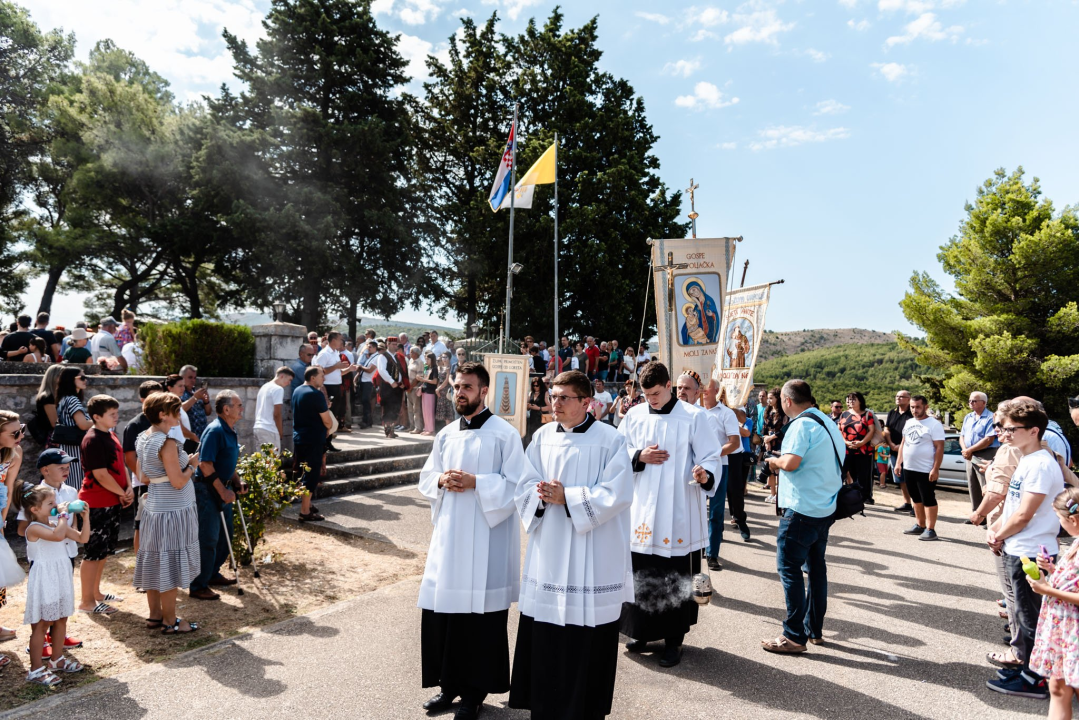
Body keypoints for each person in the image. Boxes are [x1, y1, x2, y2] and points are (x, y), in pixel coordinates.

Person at [510, 369, 634, 719]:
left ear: (586, 401)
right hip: (549, 548)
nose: (555, 403)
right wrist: (539, 495)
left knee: (586, 637)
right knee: (546, 632)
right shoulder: (542, 436)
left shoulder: (610, 440)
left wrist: (572, 498)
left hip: (591, 554)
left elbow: (618, 492)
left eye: (564, 397)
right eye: (553, 396)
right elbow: (524, 481)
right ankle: (545, 707)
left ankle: (585, 709)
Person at [417, 361, 536, 720]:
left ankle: (474, 694)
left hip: (487, 541)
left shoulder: (504, 434)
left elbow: (519, 485)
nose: (459, 393)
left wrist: (477, 483)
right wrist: (440, 481)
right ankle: (448, 687)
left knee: (478, 624)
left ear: (484, 391)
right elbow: (426, 476)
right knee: (445, 617)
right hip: (450, 540)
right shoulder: (446, 433)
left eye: (467, 387)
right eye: (456, 387)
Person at [618, 362, 720, 668]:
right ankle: (642, 632)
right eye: (646, 394)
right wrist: (638, 456)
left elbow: (710, 456)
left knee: (676, 576)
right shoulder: (634, 415)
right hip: (642, 509)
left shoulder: (693, 416)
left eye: (656, 393)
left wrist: (705, 474)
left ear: (669, 386)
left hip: (678, 512)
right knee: (642, 573)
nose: (651, 399)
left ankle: (674, 641)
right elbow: (615, 452)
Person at [986, 398, 1066, 699]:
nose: (1004, 433)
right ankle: (1026, 665)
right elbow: (1014, 505)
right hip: (1019, 545)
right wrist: (999, 530)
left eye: (1010, 428)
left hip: (1031, 551)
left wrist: (996, 535)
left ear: (1033, 431)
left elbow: (1025, 514)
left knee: (1029, 615)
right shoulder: (1028, 459)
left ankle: (1034, 679)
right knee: (1019, 613)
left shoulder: (1042, 464)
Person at [760, 379, 845, 654]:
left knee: (790, 570)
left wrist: (773, 461)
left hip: (801, 509)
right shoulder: (826, 421)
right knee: (816, 569)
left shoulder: (800, 425)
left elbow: (792, 463)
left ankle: (794, 636)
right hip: (824, 508)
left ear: (787, 401)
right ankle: (814, 630)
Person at [134, 391, 201, 635]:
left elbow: (142, 476)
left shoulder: (143, 437)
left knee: (155, 560)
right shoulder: (167, 442)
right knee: (170, 565)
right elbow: (178, 482)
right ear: (163, 414)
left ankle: (155, 616)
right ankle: (170, 621)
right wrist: (191, 466)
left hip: (155, 507)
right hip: (172, 509)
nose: (179, 413)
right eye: (175, 410)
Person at [18, 485, 90, 686]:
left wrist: (86, 517)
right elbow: (58, 536)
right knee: (42, 623)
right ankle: (35, 670)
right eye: (51, 503)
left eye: (56, 502)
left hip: (60, 575)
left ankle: (57, 659)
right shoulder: (34, 528)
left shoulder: (56, 523)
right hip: (45, 578)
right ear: (35, 509)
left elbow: (83, 538)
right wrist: (63, 514)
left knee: (61, 618)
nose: (56, 505)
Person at [77, 395, 131, 616]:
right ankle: (86, 601)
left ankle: (96, 594)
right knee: (93, 553)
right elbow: (100, 474)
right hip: (97, 502)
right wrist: (122, 492)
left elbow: (121, 464)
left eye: (116, 413)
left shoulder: (109, 434)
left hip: (112, 500)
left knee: (103, 551)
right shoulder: (93, 439)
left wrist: (127, 489)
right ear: (97, 417)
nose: (116, 417)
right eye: (112, 414)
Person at [1027, 486, 1079, 717]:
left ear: (1074, 519)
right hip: (1063, 631)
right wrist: (1052, 569)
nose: (1059, 524)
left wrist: (1047, 590)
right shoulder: (1076, 542)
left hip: (1074, 632)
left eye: (1059, 518)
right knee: (1057, 686)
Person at [189, 391, 244, 601]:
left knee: (225, 536)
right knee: (208, 538)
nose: (242, 409)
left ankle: (211, 574)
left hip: (223, 488)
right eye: (238, 405)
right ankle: (197, 585)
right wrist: (222, 491)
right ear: (226, 409)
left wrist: (237, 481)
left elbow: (227, 461)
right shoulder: (215, 430)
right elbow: (204, 464)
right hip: (207, 490)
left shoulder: (231, 430)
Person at [703, 383, 749, 548]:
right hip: (713, 458)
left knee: (734, 492)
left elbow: (744, 419)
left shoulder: (735, 395)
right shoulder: (700, 407)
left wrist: (731, 404)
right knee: (714, 499)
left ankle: (741, 521)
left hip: (734, 455)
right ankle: (717, 533)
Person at [123, 380, 166, 554]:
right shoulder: (135, 425)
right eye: (152, 397)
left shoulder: (164, 420)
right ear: (143, 399)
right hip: (145, 484)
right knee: (142, 526)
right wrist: (145, 478)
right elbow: (130, 457)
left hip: (165, 482)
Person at [895, 395, 946, 541]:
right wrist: (899, 463)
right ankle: (920, 525)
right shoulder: (909, 422)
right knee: (915, 498)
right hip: (909, 467)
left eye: (917, 407)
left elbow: (939, 448)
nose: (914, 410)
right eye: (912, 407)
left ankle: (931, 529)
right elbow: (903, 444)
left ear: (925, 407)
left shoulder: (934, 424)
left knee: (928, 498)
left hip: (926, 469)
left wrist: (935, 469)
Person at [293, 366, 333, 522]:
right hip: (313, 439)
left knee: (303, 472)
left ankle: (307, 504)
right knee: (311, 475)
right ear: (313, 378)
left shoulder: (297, 390)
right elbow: (327, 420)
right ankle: (304, 511)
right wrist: (328, 426)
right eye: (322, 376)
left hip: (300, 437)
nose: (324, 379)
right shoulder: (316, 394)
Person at [0, 410, 24, 642]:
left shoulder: (14, 453)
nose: (20, 436)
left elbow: (7, 489)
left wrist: (2, 521)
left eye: (21, 429)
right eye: (15, 433)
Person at [961, 391, 1000, 514]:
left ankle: (987, 515)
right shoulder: (968, 417)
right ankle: (976, 512)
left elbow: (989, 439)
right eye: (970, 401)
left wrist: (969, 450)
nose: (970, 403)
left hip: (985, 453)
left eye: (974, 401)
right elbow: (961, 435)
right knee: (973, 484)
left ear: (983, 403)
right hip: (970, 454)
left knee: (985, 484)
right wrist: (965, 450)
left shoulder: (990, 417)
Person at [53, 367, 91, 490]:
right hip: (75, 447)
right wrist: (100, 420)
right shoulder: (72, 399)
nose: (85, 380)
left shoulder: (63, 399)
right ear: (70, 379)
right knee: (77, 482)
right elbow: (83, 424)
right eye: (82, 378)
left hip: (67, 446)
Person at [837, 392, 877, 505]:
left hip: (863, 449)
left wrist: (862, 442)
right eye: (849, 399)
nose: (851, 401)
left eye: (854, 399)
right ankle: (845, 496)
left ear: (860, 400)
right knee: (843, 474)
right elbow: (839, 430)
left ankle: (863, 498)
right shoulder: (843, 414)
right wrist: (845, 442)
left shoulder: (867, 414)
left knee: (863, 476)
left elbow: (871, 430)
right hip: (846, 449)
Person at [315, 332, 356, 435]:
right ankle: (326, 438)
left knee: (334, 413)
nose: (342, 342)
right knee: (329, 413)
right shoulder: (324, 353)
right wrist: (336, 366)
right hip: (328, 387)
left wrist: (349, 369)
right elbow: (319, 372)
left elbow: (338, 373)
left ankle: (329, 437)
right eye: (340, 339)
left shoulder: (335, 353)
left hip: (337, 386)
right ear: (333, 340)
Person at [885, 390, 916, 516]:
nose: (898, 398)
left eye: (902, 396)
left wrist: (901, 446)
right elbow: (887, 430)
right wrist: (891, 444)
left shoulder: (913, 413)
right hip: (894, 450)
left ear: (909, 399)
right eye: (897, 396)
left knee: (911, 479)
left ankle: (916, 505)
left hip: (909, 450)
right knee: (900, 478)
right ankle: (907, 503)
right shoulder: (892, 412)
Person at [254, 367, 294, 450]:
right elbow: (277, 413)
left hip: (258, 427)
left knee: (262, 460)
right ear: (282, 376)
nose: (289, 383)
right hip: (269, 429)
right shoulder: (278, 389)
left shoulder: (264, 387)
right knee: (272, 460)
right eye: (289, 379)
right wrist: (280, 432)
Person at [374, 341, 404, 438]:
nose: (395, 346)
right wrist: (391, 381)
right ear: (388, 345)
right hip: (388, 386)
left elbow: (401, 371)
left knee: (395, 408)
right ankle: (388, 431)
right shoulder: (382, 356)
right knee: (388, 408)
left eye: (396, 344)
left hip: (397, 386)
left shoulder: (397, 357)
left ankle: (392, 429)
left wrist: (402, 382)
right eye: (392, 344)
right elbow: (382, 370)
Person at [179, 365, 213, 438]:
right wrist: (195, 398)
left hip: (202, 436)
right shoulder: (179, 392)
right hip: (189, 438)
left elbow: (208, 412)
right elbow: (179, 410)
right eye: (190, 377)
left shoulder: (196, 391)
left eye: (194, 378)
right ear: (182, 377)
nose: (193, 380)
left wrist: (206, 401)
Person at [355, 340, 378, 429]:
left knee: (366, 401)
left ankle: (367, 421)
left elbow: (370, 370)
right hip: (365, 381)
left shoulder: (376, 357)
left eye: (370, 347)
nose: (368, 348)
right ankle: (367, 420)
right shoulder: (371, 356)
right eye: (368, 347)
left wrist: (360, 367)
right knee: (365, 402)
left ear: (375, 348)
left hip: (369, 382)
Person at [524, 378, 550, 447]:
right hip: (533, 417)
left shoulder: (545, 393)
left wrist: (538, 408)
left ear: (540, 385)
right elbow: (526, 406)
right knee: (532, 435)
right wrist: (528, 406)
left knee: (543, 436)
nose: (535, 387)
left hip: (543, 417)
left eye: (537, 385)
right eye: (534, 386)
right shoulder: (531, 393)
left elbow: (550, 407)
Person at [407, 347, 425, 434]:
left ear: (416, 353)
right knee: (410, 408)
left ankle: (418, 427)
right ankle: (412, 426)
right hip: (409, 388)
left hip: (414, 388)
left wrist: (410, 387)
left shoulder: (420, 362)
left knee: (416, 408)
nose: (410, 353)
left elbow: (418, 377)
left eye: (411, 352)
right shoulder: (410, 361)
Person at [421, 351, 438, 436]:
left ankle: (431, 429)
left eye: (428, 358)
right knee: (425, 411)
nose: (426, 360)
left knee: (429, 411)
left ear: (432, 359)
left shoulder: (434, 368)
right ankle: (426, 428)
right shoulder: (427, 368)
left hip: (430, 391)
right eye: (426, 358)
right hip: (425, 390)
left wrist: (424, 380)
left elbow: (435, 381)